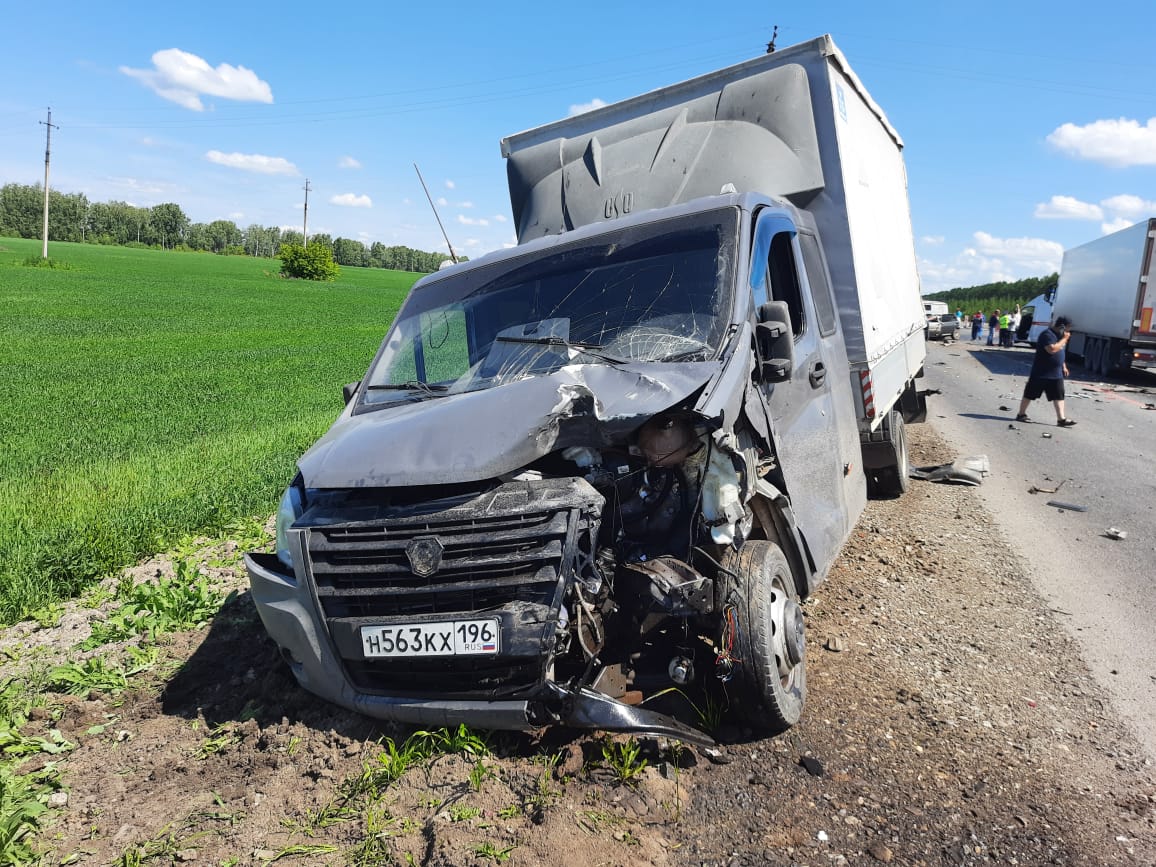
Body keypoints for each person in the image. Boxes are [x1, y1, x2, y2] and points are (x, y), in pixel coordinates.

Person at [1016, 315, 1076, 427]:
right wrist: (1064, 339)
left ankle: (1061, 419)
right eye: (1068, 328)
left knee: (1059, 396)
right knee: (1030, 394)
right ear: (1062, 327)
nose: (1069, 331)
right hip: (1041, 372)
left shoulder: (1059, 336)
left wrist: (1063, 366)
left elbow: (1060, 351)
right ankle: (1021, 414)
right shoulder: (1047, 335)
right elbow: (1052, 349)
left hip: (1056, 373)